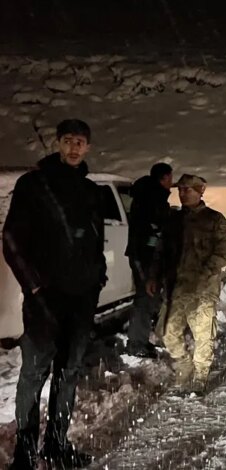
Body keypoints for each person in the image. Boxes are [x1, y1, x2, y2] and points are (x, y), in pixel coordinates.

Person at [3, 119, 106, 469]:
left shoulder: (91, 190)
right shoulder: (34, 184)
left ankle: (57, 446)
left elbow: (95, 241)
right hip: (44, 300)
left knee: (69, 373)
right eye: (68, 140)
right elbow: (12, 240)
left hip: (81, 299)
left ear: (88, 147)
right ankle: (25, 453)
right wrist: (33, 286)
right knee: (34, 373)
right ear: (58, 143)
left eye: (80, 142)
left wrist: (98, 279)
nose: (74, 147)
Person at [148, 174, 226, 395]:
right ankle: (184, 363)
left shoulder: (214, 220)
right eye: (181, 190)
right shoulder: (173, 220)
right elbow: (160, 252)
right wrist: (153, 276)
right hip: (176, 287)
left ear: (200, 191)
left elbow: (224, 251)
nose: (183, 194)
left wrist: (206, 272)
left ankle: (201, 375)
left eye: (188, 190)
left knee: (203, 334)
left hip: (203, 289)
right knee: (167, 332)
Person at [125, 162, 173, 358]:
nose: (171, 183)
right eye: (170, 178)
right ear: (164, 178)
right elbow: (152, 229)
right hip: (146, 256)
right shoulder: (152, 198)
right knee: (145, 297)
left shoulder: (146, 195)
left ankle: (141, 338)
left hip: (145, 255)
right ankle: (136, 343)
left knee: (148, 297)